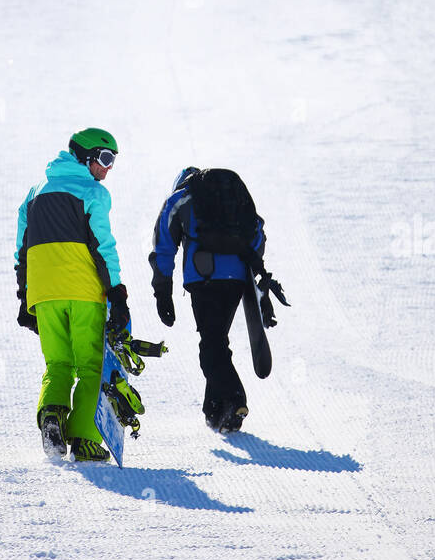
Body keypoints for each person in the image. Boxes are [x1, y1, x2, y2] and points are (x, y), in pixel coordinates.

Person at [15, 128, 130, 463]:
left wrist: (26, 298)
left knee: (57, 363)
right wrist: (117, 294)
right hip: (83, 292)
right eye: (106, 158)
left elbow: (22, 249)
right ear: (86, 157)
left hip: (44, 294)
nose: (109, 168)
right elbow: (103, 246)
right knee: (92, 366)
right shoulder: (93, 193)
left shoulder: (34, 194)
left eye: (113, 161)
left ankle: (52, 416)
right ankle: (84, 440)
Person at [148, 166, 280, 433]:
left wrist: (163, 290)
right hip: (236, 280)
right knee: (216, 338)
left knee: (210, 344)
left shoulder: (181, 199)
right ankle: (215, 409)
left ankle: (234, 398)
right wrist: (254, 273)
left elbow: (164, 245)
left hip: (203, 277)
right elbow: (258, 232)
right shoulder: (232, 198)